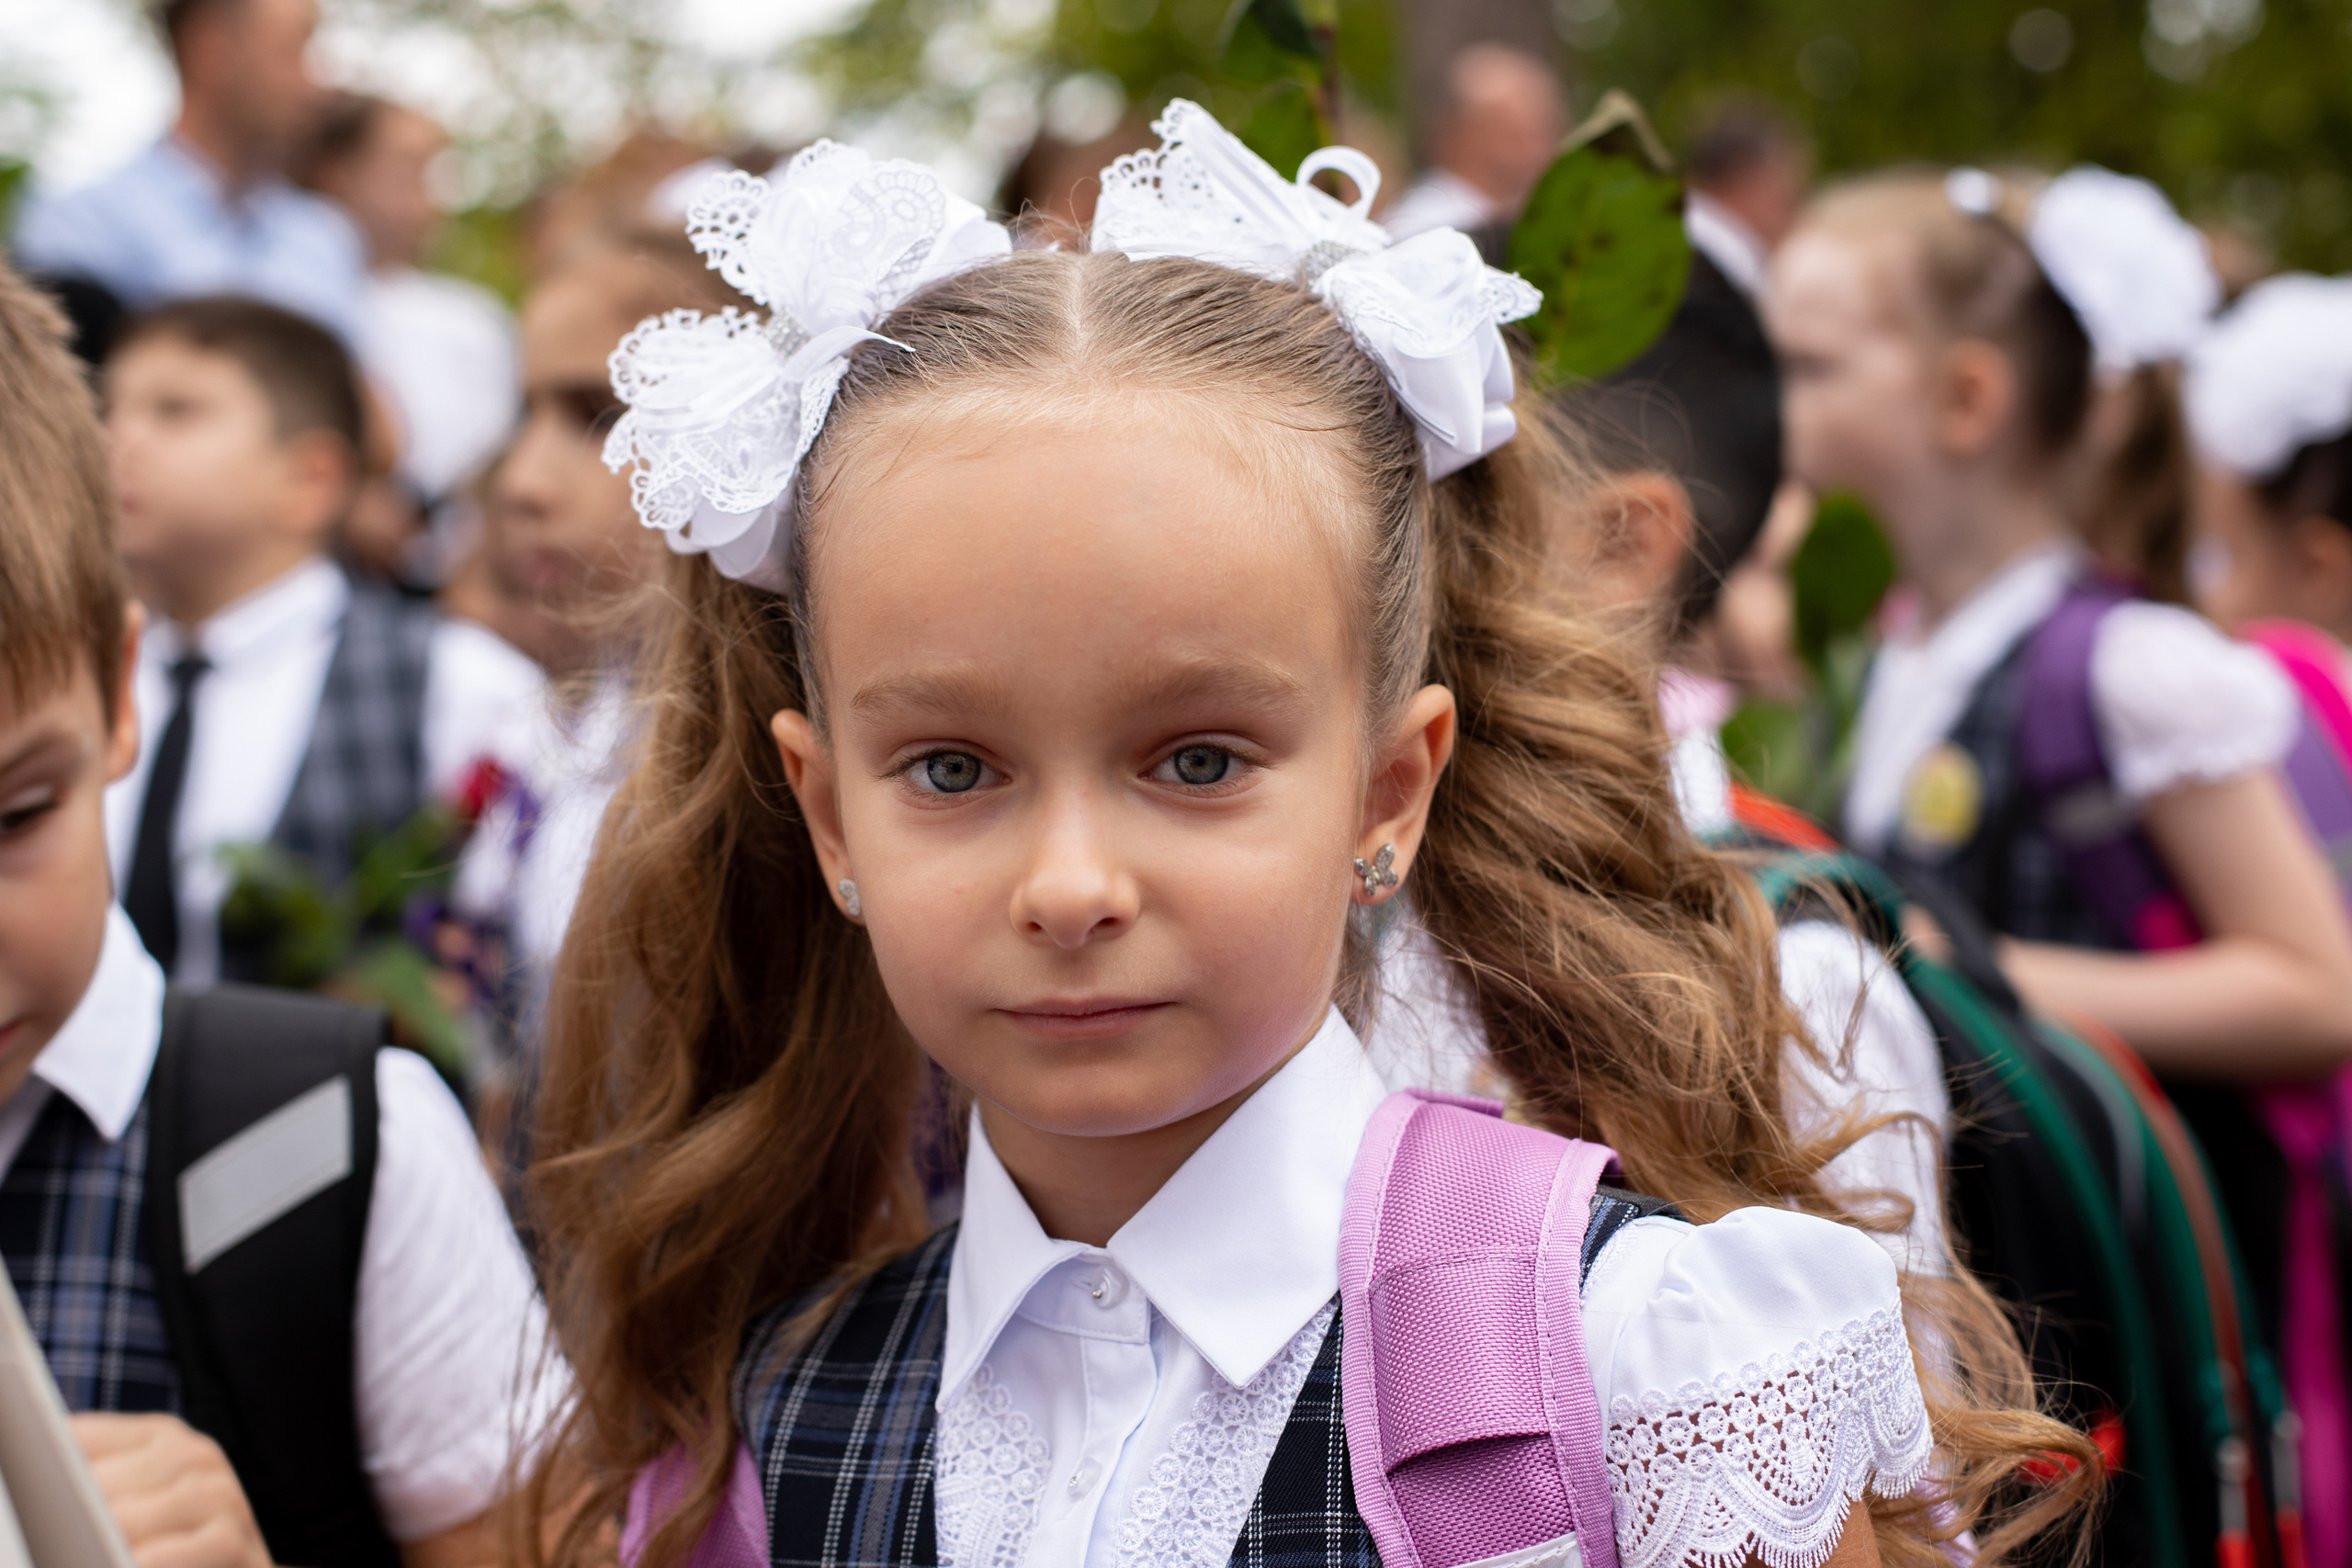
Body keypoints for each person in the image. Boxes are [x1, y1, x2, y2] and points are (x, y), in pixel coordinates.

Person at [519, 118, 2095, 1568]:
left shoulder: (1636, 1362)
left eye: (1197, 759)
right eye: (951, 767)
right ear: (828, 813)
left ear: (1388, 792)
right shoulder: (770, 1424)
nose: (1071, 886)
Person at [0, 261, 557, 1568]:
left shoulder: (339, 1150)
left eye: (18, 813)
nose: (132, 439)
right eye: (121, 407)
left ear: (115, 697)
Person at [100, 294, 542, 986]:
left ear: (310, 479)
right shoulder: (70, 672)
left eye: (175, 411)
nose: (116, 439)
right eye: (110, 409)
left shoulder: (458, 687)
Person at [10, 0, 368, 347]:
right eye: (295, 50)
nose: (318, 86)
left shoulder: (325, 237)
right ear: (211, 49)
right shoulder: (84, 225)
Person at [295, 93, 521, 585]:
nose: (425, 192)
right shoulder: (286, 297)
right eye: (404, 166)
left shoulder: (477, 321)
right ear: (335, 171)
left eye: (435, 169)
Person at [1381, 43, 1565, 246]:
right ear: (1461, 135)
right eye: (1518, 135)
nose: (1540, 150)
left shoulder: (1519, 217)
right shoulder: (1422, 231)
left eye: (1546, 131)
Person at [1680, 95, 1814, 300]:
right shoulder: (1721, 273)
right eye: (1787, 194)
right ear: (1743, 179)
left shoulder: (1667, 236)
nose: (1795, 214)